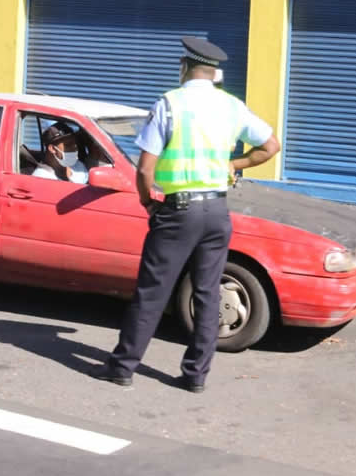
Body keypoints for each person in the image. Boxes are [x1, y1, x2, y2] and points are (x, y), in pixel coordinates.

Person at [93, 36, 280, 393]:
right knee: (208, 293)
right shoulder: (231, 106)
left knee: (152, 292)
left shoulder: (170, 104)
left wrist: (148, 203)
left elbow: (146, 169)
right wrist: (235, 164)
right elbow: (271, 146)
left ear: (184, 67)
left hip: (178, 213)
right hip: (217, 211)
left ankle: (123, 367)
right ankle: (195, 376)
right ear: (212, 73)